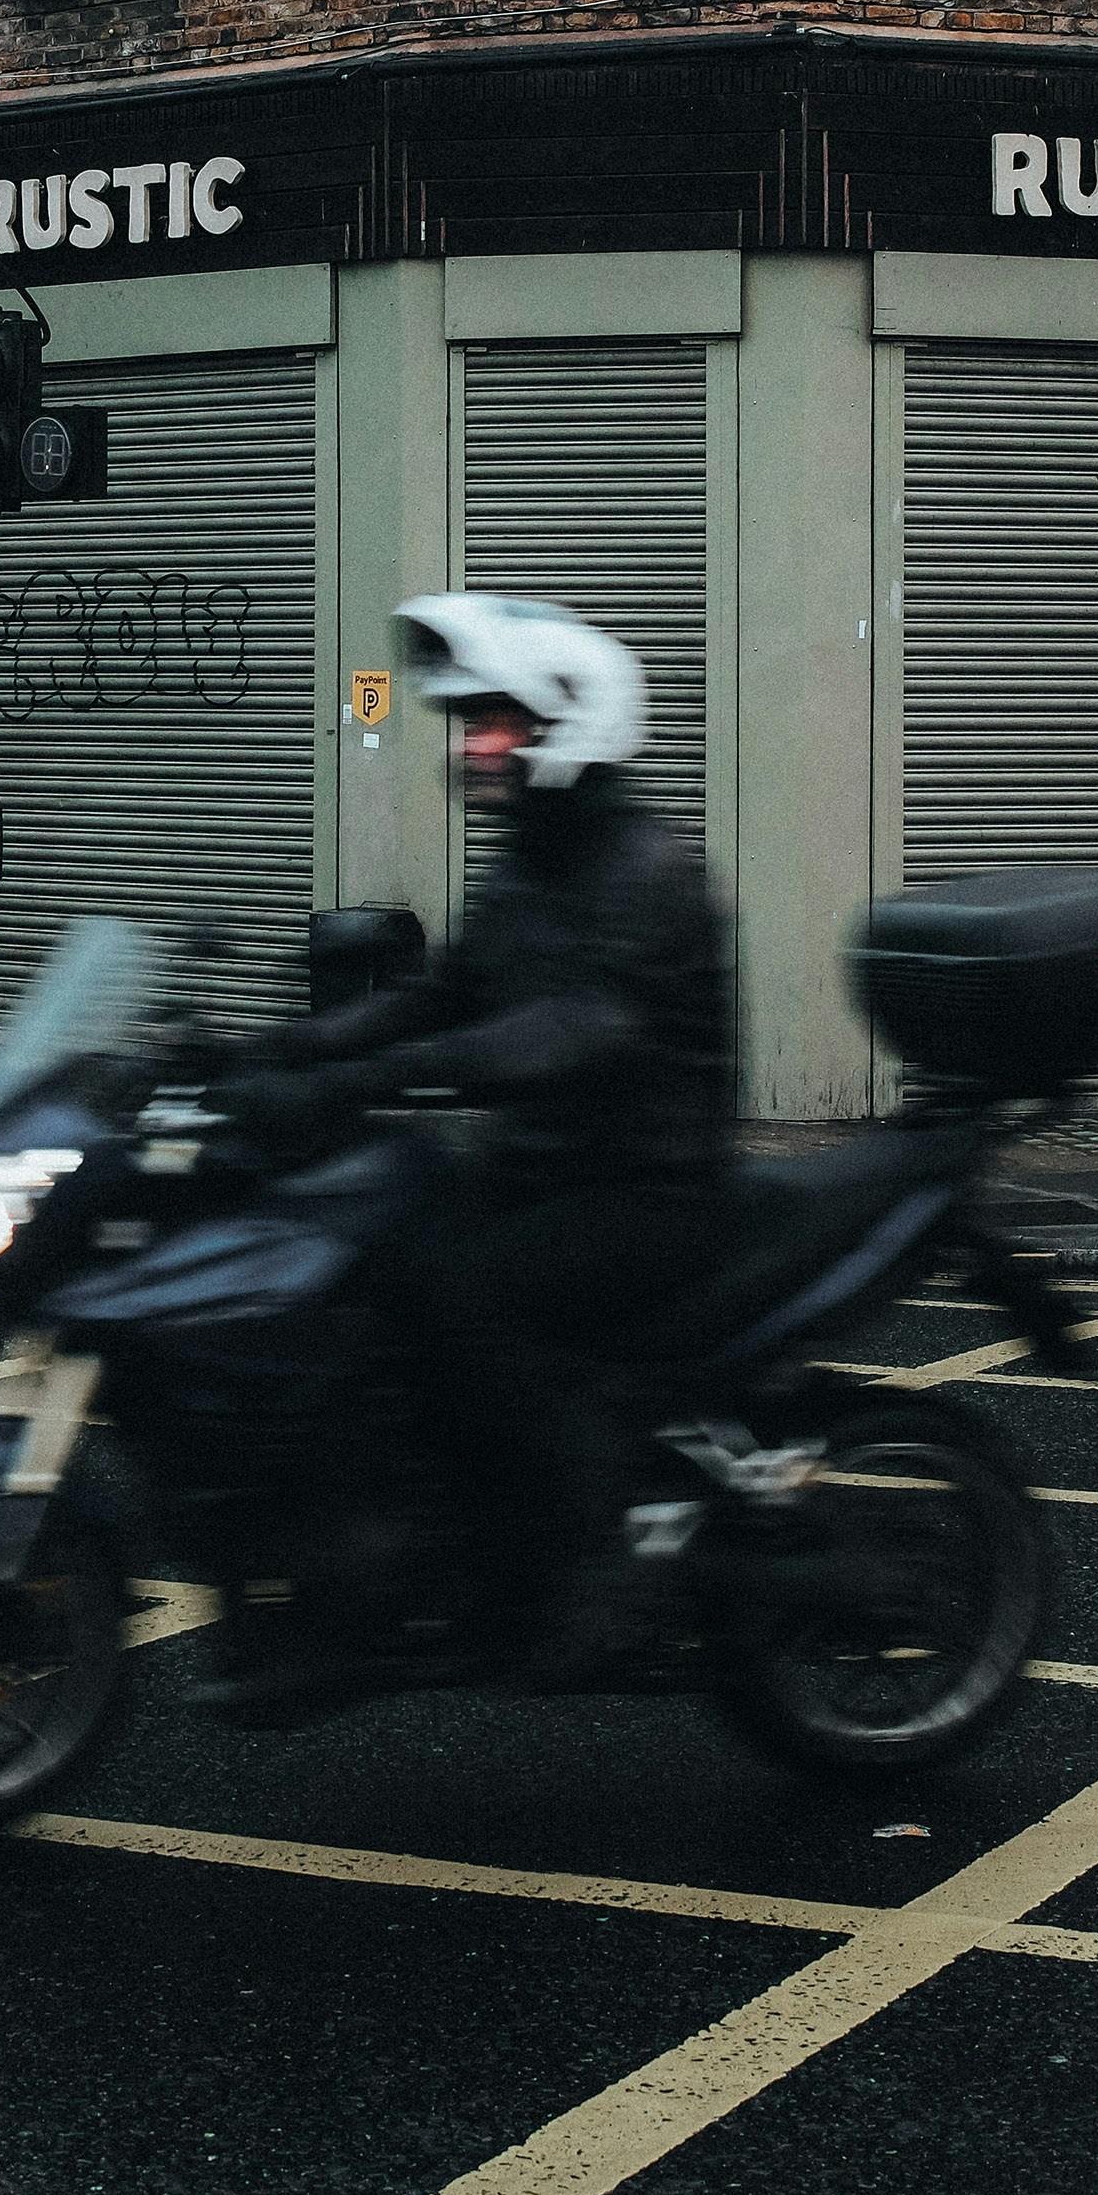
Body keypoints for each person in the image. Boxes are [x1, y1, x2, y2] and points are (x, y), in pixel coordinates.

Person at [210, 593, 737, 1697]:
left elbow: (569, 1030)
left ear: (571, 725)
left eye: (497, 721)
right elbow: (435, 996)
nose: (472, 744)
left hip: (645, 1191)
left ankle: (595, 1569)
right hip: (541, 1169)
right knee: (362, 1270)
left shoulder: (648, 874)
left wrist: (370, 1078)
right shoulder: (526, 867)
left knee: (474, 1306)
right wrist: (268, 1051)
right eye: (468, 722)